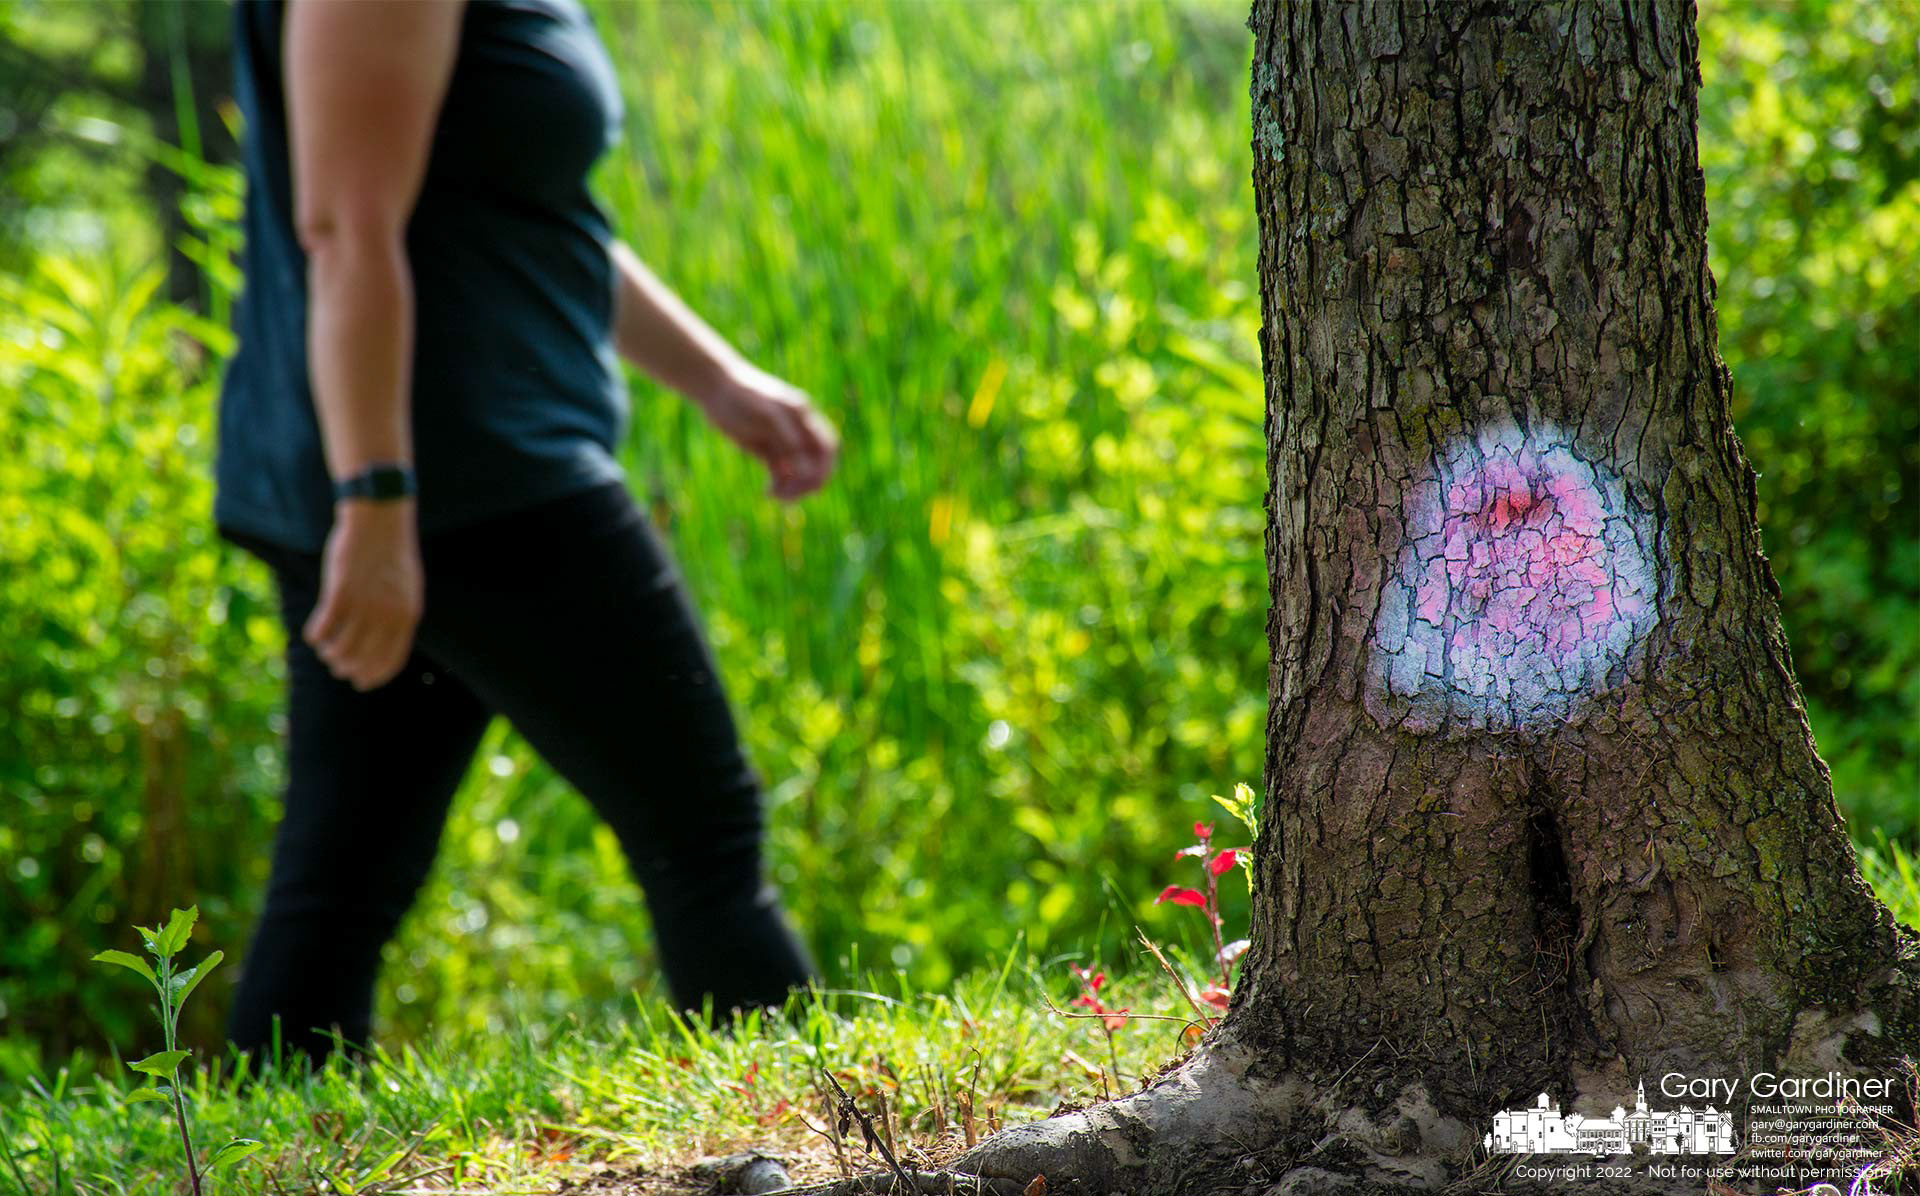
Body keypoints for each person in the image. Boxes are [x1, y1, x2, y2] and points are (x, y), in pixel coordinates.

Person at [215, 0, 836, 1065]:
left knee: (341, 881)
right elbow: (344, 227)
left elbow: (525, 206)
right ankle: (831, 1140)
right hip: (466, 476)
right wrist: (376, 500)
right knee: (705, 838)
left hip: (440, 475)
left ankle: (252, 1160)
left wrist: (717, 381)